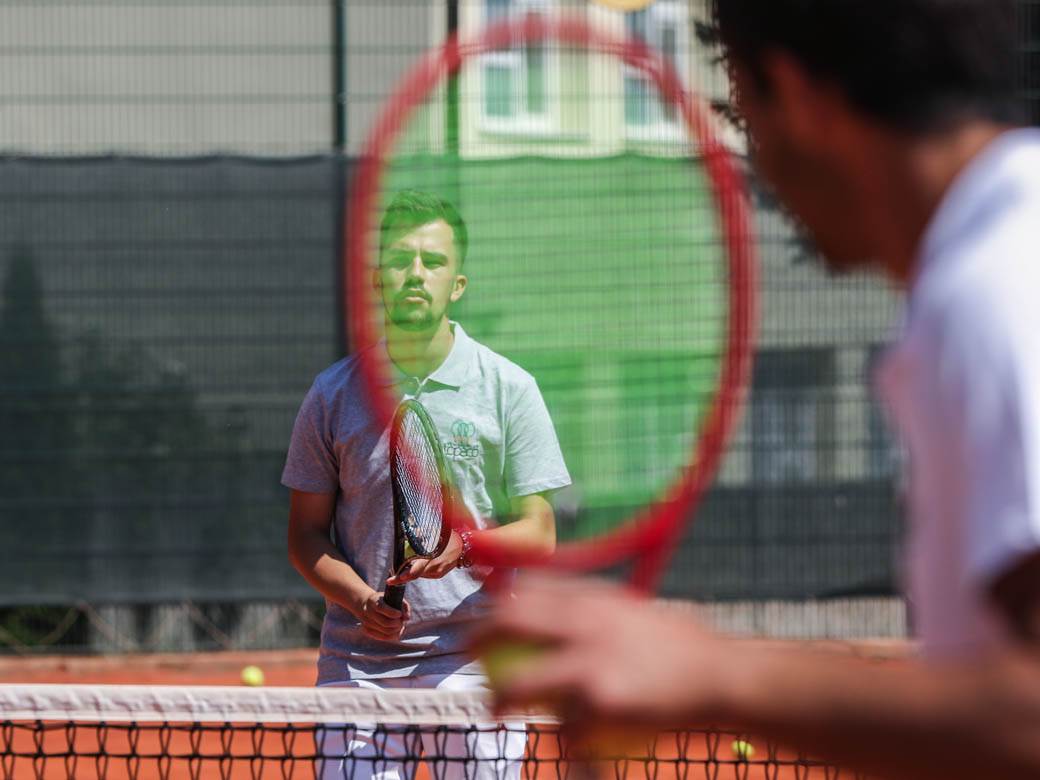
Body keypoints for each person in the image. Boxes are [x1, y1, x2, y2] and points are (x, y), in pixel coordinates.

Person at [475, 1, 1040, 778]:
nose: (755, 159)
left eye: (743, 103)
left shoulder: (999, 287)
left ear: (797, 95)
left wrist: (715, 674)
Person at [283, 190, 571, 779]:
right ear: (377, 279)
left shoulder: (509, 388)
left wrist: (467, 547)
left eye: (433, 262)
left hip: (475, 661)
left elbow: (540, 533)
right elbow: (306, 535)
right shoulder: (332, 395)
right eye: (401, 259)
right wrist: (363, 600)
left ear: (457, 284)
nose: (417, 274)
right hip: (358, 667)